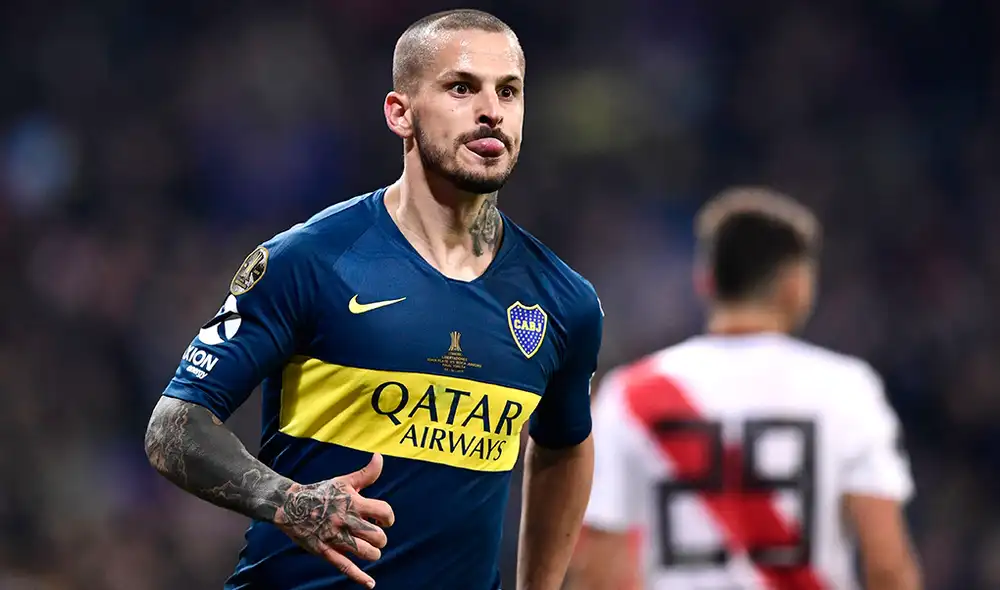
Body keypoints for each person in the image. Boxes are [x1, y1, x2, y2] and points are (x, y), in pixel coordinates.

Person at [144, 9, 603, 590]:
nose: (492, 109)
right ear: (399, 112)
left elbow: (564, 446)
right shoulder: (309, 262)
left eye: (508, 91)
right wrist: (288, 501)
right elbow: (173, 425)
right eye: (461, 88)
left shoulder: (564, 301)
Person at [571, 188, 921, 590]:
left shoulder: (629, 397)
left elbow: (600, 567)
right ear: (796, 285)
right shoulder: (847, 390)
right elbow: (888, 566)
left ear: (705, 281)